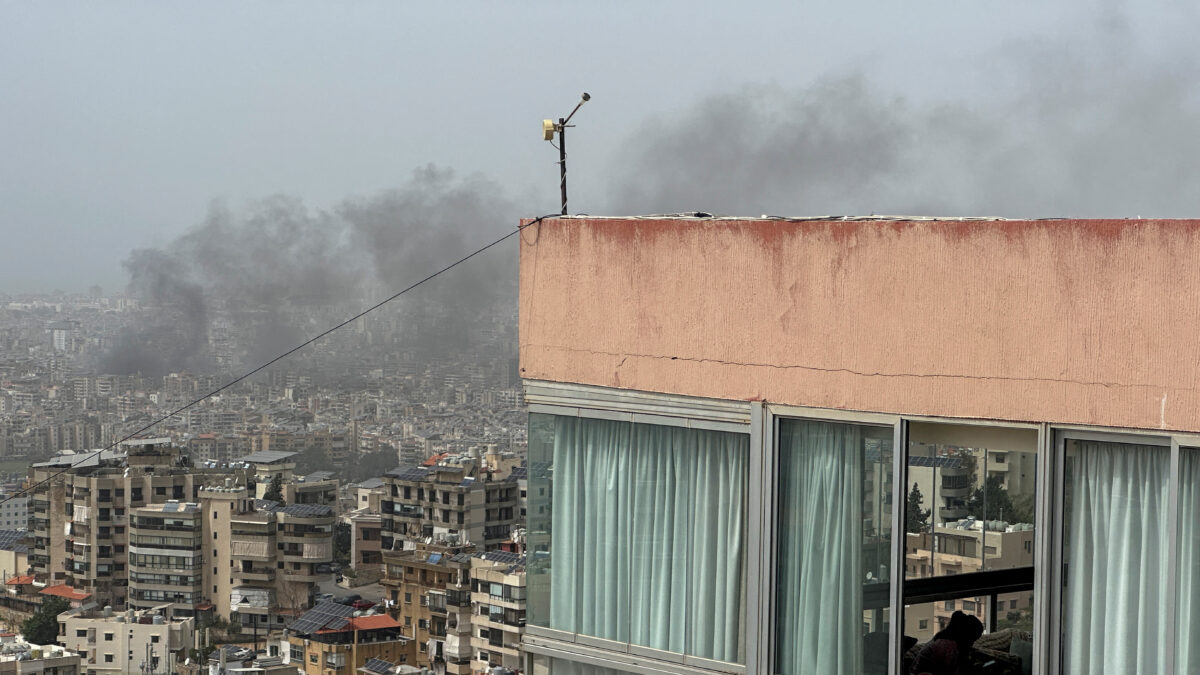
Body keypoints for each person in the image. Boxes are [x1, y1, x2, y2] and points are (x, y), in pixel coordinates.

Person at [910, 611, 984, 675]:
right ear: (966, 636)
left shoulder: (942, 640)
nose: (972, 643)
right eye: (973, 639)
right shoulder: (948, 647)